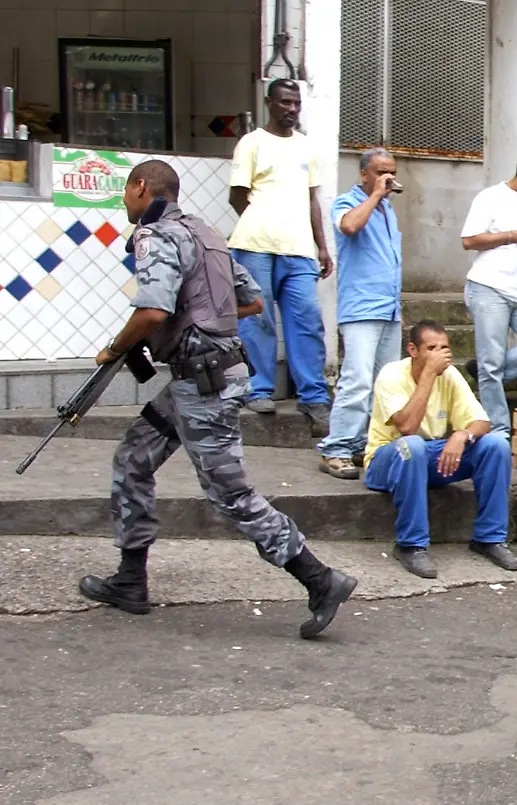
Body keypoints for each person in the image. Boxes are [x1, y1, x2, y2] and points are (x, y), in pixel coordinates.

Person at [77, 159, 357, 640]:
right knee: (134, 457)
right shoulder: (205, 233)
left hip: (202, 384)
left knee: (232, 495)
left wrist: (117, 347)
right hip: (200, 379)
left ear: (142, 188)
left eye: (126, 191)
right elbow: (248, 299)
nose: (124, 200)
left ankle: (319, 579)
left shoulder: (156, 234)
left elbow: (151, 310)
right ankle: (130, 580)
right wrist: (191, 318)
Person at [363, 320, 517, 580]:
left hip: (428, 455)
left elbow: (481, 421)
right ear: (413, 350)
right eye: (432, 348)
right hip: (387, 459)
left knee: (496, 445)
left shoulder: (450, 375)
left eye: (444, 348)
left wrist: (462, 434)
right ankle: (411, 545)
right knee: (413, 446)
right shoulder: (391, 374)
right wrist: (427, 375)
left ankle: (489, 539)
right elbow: (407, 427)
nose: (441, 355)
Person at [228, 78, 333, 436]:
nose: (291, 109)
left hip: (300, 249)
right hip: (256, 244)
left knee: (306, 320)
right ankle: (259, 389)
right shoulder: (252, 143)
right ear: (269, 103)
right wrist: (263, 221)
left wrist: (322, 245)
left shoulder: (306, 147)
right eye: (285, 102)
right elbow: (237, 195)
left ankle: (313, 396)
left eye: (296, 103)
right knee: (257, 319)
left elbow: (312, 200)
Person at [316, 148, 405, 480]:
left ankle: (361, 445)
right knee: (357, 381)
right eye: (382, 172)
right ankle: (335, 449)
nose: (389, 178)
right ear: (364, 174)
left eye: (392, 172)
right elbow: (350, 226)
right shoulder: (347, 202)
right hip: (361, 308)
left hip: (388, 308)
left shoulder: (387, 210)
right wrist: (376, 196)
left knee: (385, 384)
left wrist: (398, 309)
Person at [460, 146, 517, 435]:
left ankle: (494, 368)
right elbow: (469, 240)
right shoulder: (490, 197)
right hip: (489, 287)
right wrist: (512, 236)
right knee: (491, 365)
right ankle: (499, 429)